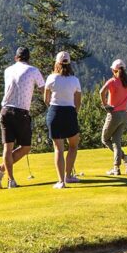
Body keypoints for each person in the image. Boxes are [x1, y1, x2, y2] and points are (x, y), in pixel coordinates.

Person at [0, 46, 45, 189]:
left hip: (5, 111)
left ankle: (9, 179)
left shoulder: (7, 70)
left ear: (16, 58)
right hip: (21, 112)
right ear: (29, 58)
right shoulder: (33, 71)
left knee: (7, 148)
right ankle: (2, 171)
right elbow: (43, 90)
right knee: (26, 147)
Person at [44, 51, 82, 189]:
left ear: (57, 63)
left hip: (54, 112)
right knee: (73, 146)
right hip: (70, 112)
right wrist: (73, 113)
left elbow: (46, 99)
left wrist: (53, 110)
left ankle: (61, 181)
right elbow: (78, 101)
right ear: (69, 64)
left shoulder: (51, 78)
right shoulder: (75, 80)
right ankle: (68, 176)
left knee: (58, 149)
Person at [100, 59, 127, 175]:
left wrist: (105, 105)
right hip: (124, 115)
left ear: (114, 70)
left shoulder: (112, 82)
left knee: (105, 139)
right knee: (116, 141)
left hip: (113, 114)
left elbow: (101, 92)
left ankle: (123, 160)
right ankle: (118, 166)